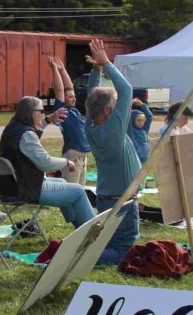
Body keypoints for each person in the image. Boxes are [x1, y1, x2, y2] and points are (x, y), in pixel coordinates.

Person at [0, 96, 95, 232]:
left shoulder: (14, 126)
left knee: (63, 183)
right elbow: (45, 163)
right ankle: (93, 232)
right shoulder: (27, 135)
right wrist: (67, 162)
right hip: (26, 189)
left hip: (10, 187)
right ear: (31, 112)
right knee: (79, 191)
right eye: (41, 111)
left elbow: (32, 136)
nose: (43, 114)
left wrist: (47, 120)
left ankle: (78, 228)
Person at [84, 39, 141, 266]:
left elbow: (91, 95)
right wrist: (106, 63)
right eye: (116, 105)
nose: (120, 107)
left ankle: (86, 254)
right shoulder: (113, 130)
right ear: (108, 110)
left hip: (106, 199)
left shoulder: (91, 126)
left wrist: (96, 70)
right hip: (121, 203)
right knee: (123, 252)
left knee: (110, 243)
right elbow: (126, 90)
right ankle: (80, 258)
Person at [46, 56, 91, 185]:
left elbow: (69, 87)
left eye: (74, 97)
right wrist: (55, 69)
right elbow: (60, 90)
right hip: (72, 156)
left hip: (83, 157)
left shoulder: (74, 111)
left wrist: (63, 70)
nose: (74, 99)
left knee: (80, 190)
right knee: (71, 188)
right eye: (70, 97)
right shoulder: (62, 111)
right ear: (63, 99)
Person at [127, 98, 153, 164]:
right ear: (132, 120)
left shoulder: (144, 129)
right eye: (138, 120)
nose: (141, 123)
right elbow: (127, 117)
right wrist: (130, 104)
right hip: (134, 160)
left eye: (143, 120)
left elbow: (149, 116)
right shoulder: (130, 130)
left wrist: (142, 105)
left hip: (145, 159)